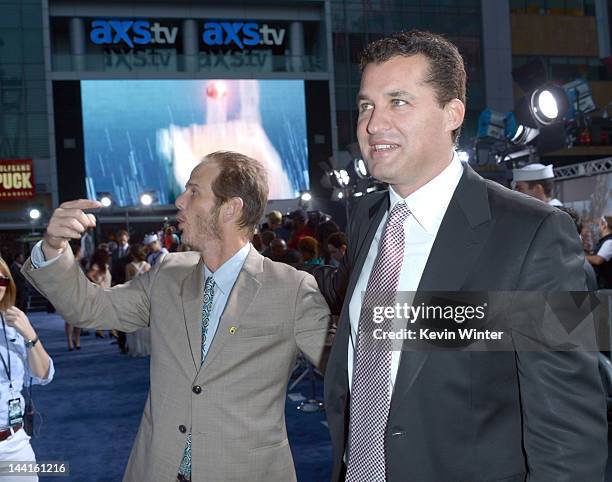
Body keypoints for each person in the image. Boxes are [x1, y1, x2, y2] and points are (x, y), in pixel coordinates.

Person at [313, 30, 606, 482]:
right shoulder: (367, 218)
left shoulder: (538, 235)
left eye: (399, 102)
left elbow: (569, 428)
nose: (373, 125)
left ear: (453, 113)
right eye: (367, 105)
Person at [22, 150, 330, 482]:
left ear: (230, 208)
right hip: (158, 468)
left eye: (194, 191)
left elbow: (351, 369)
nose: (180, 201)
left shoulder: (291, 287)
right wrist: (53, 247)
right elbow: (90, 308)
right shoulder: (168, 272)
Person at [0, 256, 54, 482]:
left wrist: (31, 336)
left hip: (13, 445)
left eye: (1, 281)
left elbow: (42, 375)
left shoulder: (12, 323)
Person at [125, 244, 151, 357]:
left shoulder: (129, 266)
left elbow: (127, 283)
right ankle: (148, 347)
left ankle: (137, 347)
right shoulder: (148, 266)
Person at [587, 215, 612, 289]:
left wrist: (582, 256)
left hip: (606, 286)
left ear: (604, 226)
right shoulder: (605, 241)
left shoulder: (609, 241)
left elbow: (598, 260)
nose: (597, 228)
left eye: (599, 225)